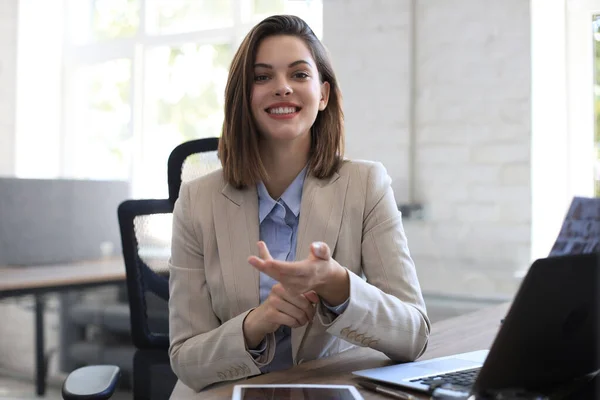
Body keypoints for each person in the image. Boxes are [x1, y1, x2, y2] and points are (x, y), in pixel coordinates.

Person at [168, 14, 430, 393]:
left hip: (322, 391)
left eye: (299, 75)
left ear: (323, 94)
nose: (282, 88)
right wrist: (255, 324)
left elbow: (414, 336)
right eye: (262, 77)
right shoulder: (197, 201)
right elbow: (185, 359)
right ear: (244, 97)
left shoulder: (366, 185)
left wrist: (339, 285)